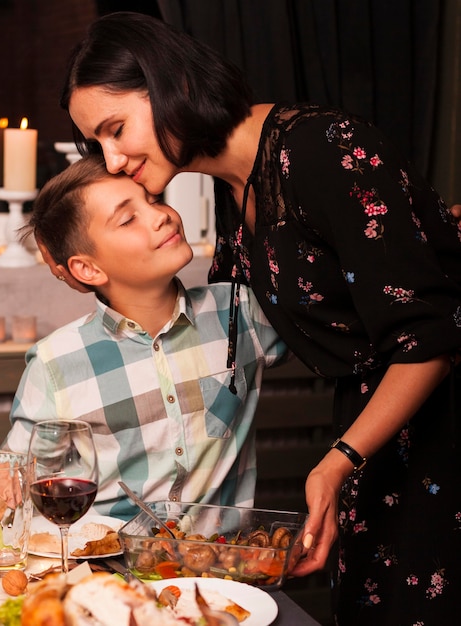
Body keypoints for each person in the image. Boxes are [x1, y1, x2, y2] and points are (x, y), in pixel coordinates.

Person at [42, 11, 461, 625]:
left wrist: (339, 459)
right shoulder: (233, 186)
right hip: (378, 439)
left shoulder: (321, 148)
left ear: (171, 85)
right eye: (95, 145)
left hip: (436, 430)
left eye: (115, 129)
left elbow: (429, 339)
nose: (111, 158)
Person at [2, 154, 287, 521]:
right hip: (109, 572)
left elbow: (345, 325)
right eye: (128, 218)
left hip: (220, 570)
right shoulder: (56, 363)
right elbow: (12, 492)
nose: (161, 215)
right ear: (87, 268)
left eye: (153, 200)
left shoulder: (240, 313)